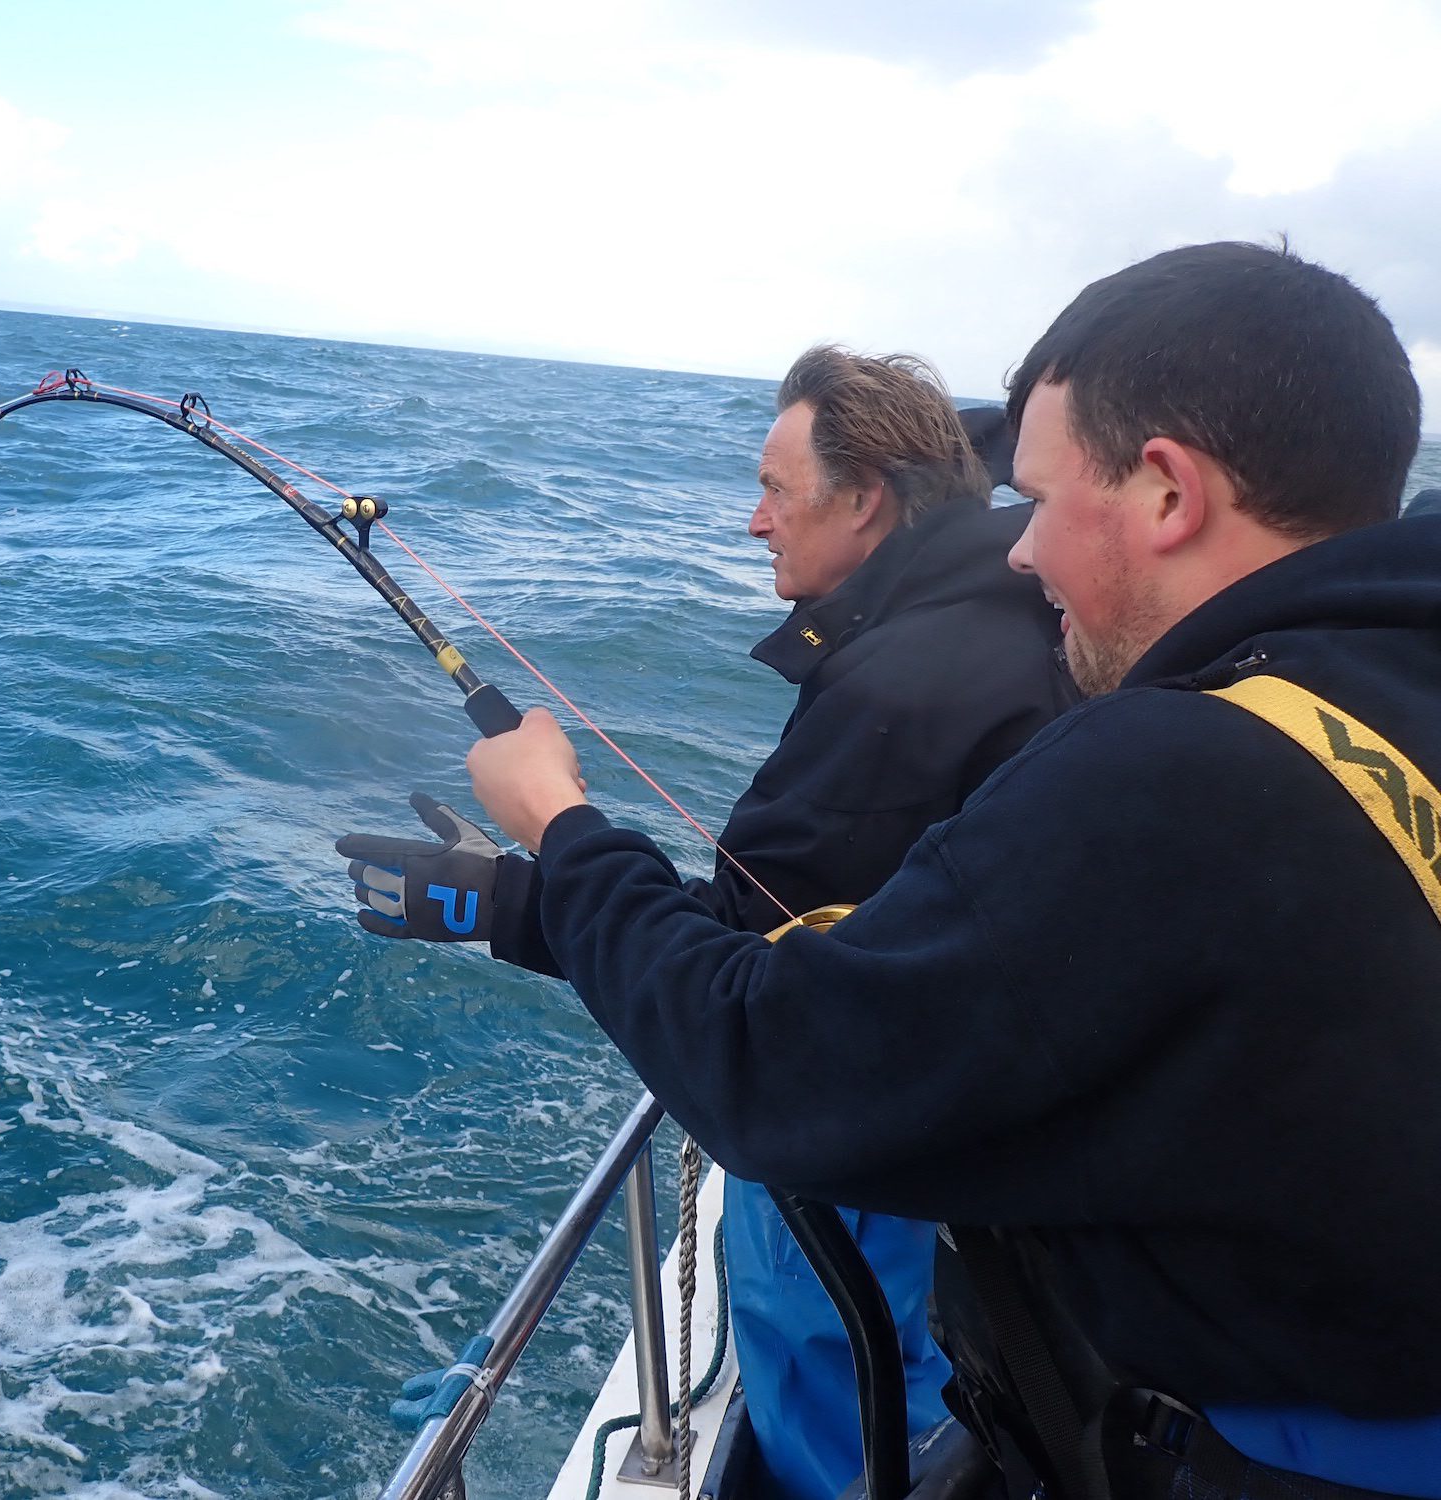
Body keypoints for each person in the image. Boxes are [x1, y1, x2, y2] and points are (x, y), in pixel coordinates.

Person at [461, 241, 1441, 1498]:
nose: (1018, 552)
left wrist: (558, 826)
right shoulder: (1391, 684)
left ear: (1163, 493)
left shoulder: (1177, 769)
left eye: (1035, 499)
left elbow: (770, 1067)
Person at [339, 348, 1074, 1497]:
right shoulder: (991, 620)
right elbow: (759, 926)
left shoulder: (906, 687)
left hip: (876, 1192)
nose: (752, 521)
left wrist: (547, 830)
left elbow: (730, 1006)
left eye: (776, 489)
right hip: (961, 1157)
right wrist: (509, 898)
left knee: (862, 1436)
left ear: (866, 497)